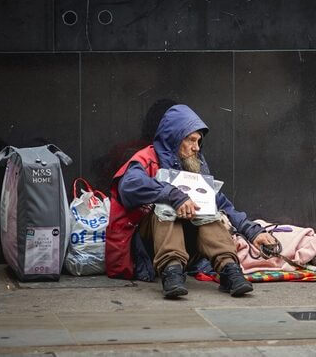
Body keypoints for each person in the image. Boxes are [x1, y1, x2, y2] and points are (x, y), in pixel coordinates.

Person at [106, 102, 276, 298]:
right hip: (148, 246)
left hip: (188, 247)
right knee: (167, 208)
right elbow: (129, 186)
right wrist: (174, 196)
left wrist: (252, 232)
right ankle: (171, 272)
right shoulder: (146, 158)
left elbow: (219, 201)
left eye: (198, 141)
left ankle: (229, 269)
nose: (196, 148)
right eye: (190, 140)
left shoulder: (193, 164)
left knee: (207, 209)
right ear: (174, 138)